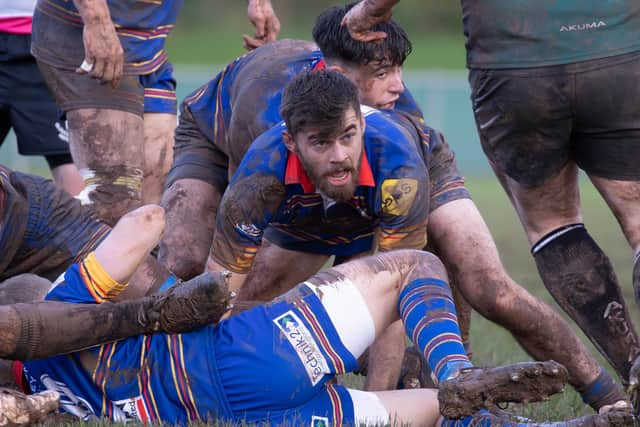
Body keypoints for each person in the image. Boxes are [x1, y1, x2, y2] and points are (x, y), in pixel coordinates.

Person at [160, 5, 630, 410]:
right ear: (340, 79)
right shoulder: (268, 149)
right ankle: (150, 368)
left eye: (398, 71)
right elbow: (221, 283)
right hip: (220, 132)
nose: (396, 87)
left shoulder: (399, 139)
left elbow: (398, 275)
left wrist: (381, 402)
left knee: (488, 286)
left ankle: (609, 396)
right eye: (382, 75)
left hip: (391, 163)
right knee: (199, 270)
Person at [17, 207, 633, 426]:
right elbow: (145, 223)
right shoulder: (64, 303)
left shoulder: (37, 398)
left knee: (419, 418)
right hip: (242, 357)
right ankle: (454, 368)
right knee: (412, 267)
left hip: (254, 418)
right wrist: (89, 275)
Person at [342, 0, 640, 392]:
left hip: (516, 63)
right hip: (616, 48)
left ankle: (629, 368)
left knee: (554, 226)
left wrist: (371, 10)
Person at [29, 0, 280, 225]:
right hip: (86, 35)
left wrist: (259, 3)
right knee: (114, 195)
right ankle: (46, 258)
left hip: (149, 48)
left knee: (158, 192)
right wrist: (96, 20)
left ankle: (140, 271)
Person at [0, 204, 235, 426]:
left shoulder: (35, 400)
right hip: (213, 367)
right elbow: (149, 218)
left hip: (201, 395)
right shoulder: (61, 297)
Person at [0, 0, 83, 195]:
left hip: (49, 34)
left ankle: (81, 224)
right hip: (51, 32)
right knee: (69, 160)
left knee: (69, 159)